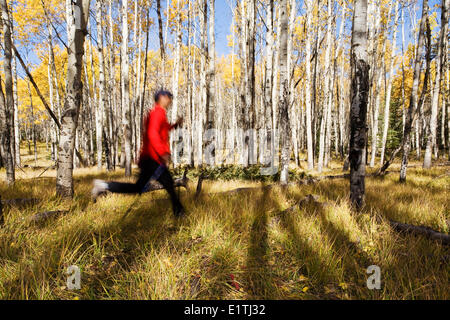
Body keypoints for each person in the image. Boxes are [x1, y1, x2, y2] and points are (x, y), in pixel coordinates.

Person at [91, 90, 186, 218]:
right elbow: (152, 134)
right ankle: (179, 214)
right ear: (162, 97)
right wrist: (163, 153)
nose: (170, 100)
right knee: (168, 184)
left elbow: (162, 129)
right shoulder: (157, 113)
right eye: (169, 97)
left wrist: (175, 125)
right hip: (153, 158)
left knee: (140, 187)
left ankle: (104, 185)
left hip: (150, 158)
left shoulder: (158, 113)